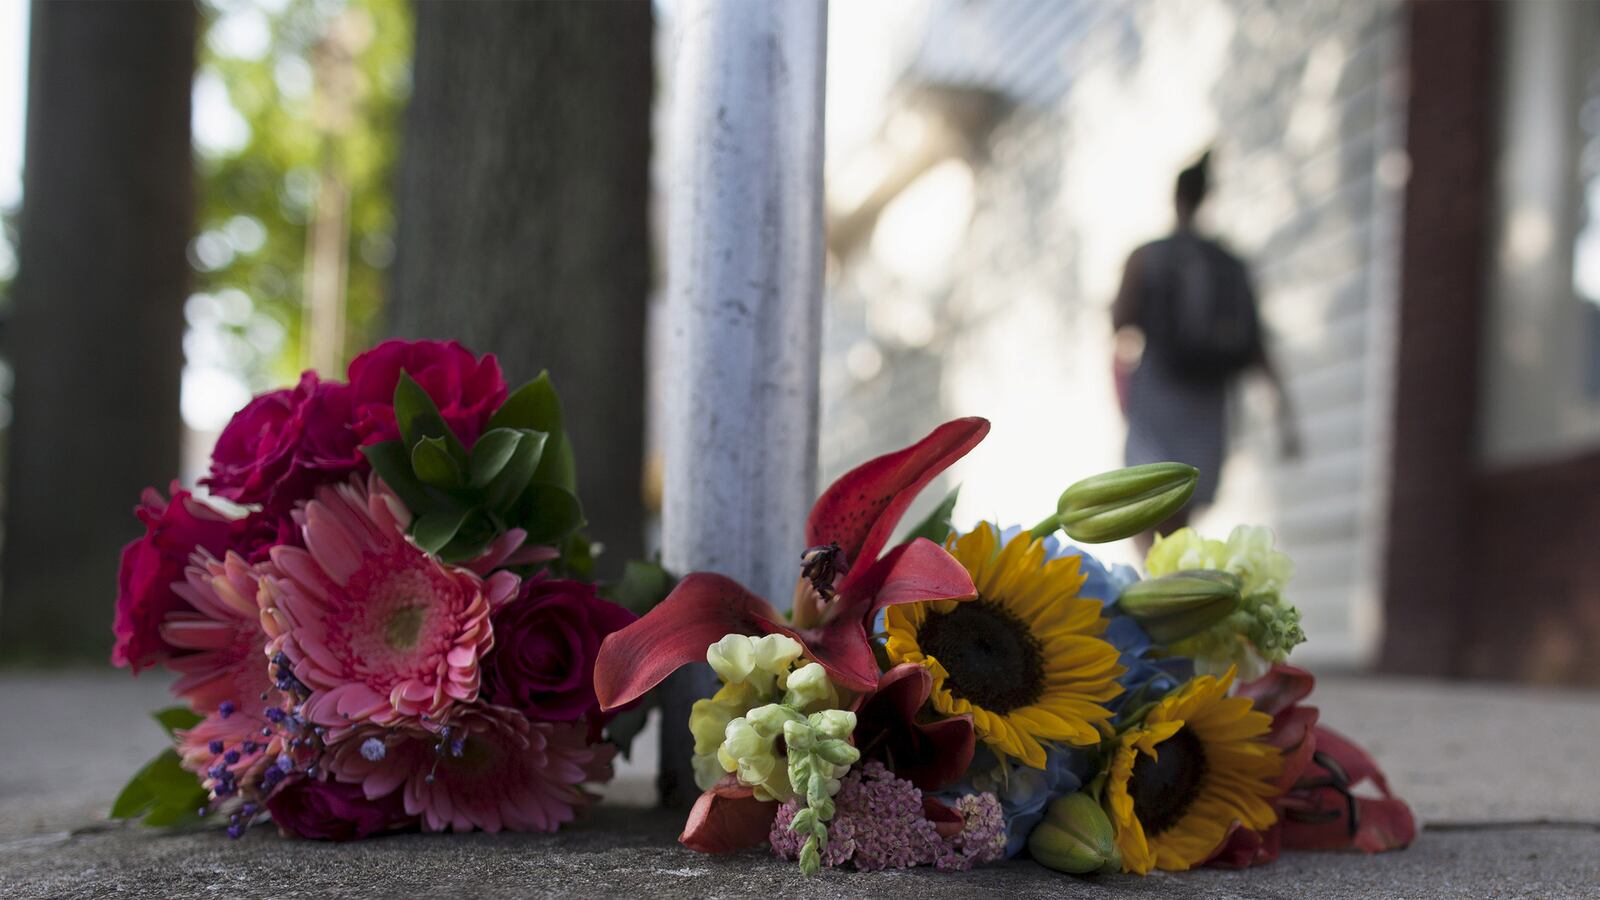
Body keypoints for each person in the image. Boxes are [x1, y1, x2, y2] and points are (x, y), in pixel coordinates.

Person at [1111, 151, 1300, 554]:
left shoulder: (1147, 256)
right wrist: (1284, 412)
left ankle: (1154, 595)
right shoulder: (1230, 263)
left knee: (1146, 508)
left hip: (1159, 396)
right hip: (1208, 404)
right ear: (1206, 197)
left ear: (1176, 197)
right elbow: (1256, 343)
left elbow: (1119, 327)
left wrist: (1123, 393)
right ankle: (1166, 589)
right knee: (1181, 512)